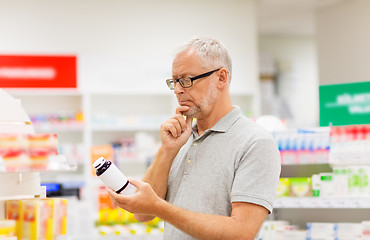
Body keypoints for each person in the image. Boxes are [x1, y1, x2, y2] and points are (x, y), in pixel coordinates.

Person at [108, 37, 281, 240]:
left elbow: (241, 233)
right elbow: (144, 213)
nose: (178, 90)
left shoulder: (255, 143)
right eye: (174, 81)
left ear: (221, 78)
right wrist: (167, 151)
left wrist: (160, 208)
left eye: (187, 80)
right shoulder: (181, 138)